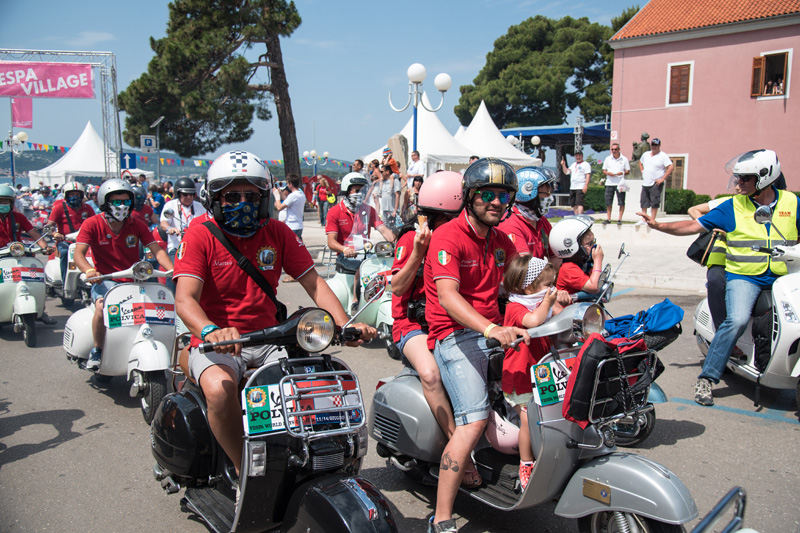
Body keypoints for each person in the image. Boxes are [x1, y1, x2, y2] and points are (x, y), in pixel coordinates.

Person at [174, 150, 375, 478]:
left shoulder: (278, 233)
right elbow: (185, 299)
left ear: (265, 198)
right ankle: (243, 471)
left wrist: (345, 325)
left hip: (270, 337)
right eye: (232, 195)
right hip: (217, 342)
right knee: (219, 389)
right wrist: (212, 331)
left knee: (311, 387)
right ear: (214, 199)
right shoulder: (199, 232)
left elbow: (315, 284)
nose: (242, 202)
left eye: (251, 195)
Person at [637, 149, 800, 406]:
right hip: (745, 277)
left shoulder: (791, 202)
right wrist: (659, 226)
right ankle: (707, 378)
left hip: (783, 275)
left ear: (765, 178)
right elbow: (691, 226)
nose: (738, 184)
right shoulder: (732, 206)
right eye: (737, 178)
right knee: (736, 320)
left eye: (744, 178)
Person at [425, 158, 530, 533]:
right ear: (469, 197)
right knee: (472, 422)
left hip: (492, 330)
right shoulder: (447, 236)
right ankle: (441, 518)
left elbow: (524, 279)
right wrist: (490, 327)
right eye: (487, 194)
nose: (496, 202)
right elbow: (449, 298)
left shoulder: (502, 239)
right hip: (455, 335)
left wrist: (559, 293)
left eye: (504, 196)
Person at [391, 171, 484, 487]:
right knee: (430, 373)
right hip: (412, 325)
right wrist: (419, 251)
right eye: (452, 217)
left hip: (446, 323)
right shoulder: (410, 239)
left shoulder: (465, 238)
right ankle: (459, 445)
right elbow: (396, 287)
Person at [73, 179, 173, 371]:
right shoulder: (91, 224)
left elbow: (157, 250)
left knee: (160, 307)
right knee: (102, 307)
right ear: (104, 202)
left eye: (126, 202)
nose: (121, 206)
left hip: (135, 280)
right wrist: (89, 270)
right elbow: (79, 253)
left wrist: (172, 270)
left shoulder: (138, 225)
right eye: (116, 202)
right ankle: (97, 350)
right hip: (105, 280)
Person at [501, 255, 558, 490]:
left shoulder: (539, 303)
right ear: (528, 286)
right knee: (528, 418)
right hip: (520, 375)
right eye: (548, 285)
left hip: (542, 371)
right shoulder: (516, 307)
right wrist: (547, 303)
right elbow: (533, 321)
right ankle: (526, 463)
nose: (552, 290)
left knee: (550, 413)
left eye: (553, 284)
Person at [325, 173, 396, 312]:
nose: (360, 194)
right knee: (362, 268)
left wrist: (397, 242)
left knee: (386, 265)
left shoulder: (368, 210)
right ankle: (356, 302)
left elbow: (383, 229)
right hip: (345, 256)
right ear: (347, 190)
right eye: (356, 190)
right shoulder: (334, 212)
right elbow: (331, 242)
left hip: (366, 254)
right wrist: (344, 249)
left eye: (362, 191)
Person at [688, 193, 735, 330]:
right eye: (738, 180)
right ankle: (721, 333)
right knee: (715, 283)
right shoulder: (728, 202)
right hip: (720, 257)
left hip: (749, 262)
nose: (739, 185)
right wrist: (709, 226)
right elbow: (693, 210)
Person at [45, 182, 95, 283]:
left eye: (77, 194)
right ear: (66, 195)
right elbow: (48, 227)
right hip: (66, 241)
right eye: (72, 194)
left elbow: (95, 223)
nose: (75, 197)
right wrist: (55, 234)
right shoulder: (59, 208)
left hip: (84, 241)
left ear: (81, 195)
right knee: (64, 253)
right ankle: (65, 282)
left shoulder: (87, 208)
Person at [550, 216, 605, 296]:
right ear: (571, 247)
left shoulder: (583, 264)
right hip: (569, 308)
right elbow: (594, 287)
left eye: (593, 242)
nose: (594, 246)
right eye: (589, 244)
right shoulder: (568, 268)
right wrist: (598, 260)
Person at [0, 185, 51, 251]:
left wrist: (45, 247)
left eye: (6, 202)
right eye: (0, 202)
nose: (3, 204)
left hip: (16, 252)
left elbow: (34, 234)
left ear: (11, 203)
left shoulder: (19, 217)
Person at [637, 138, 673, 223]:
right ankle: (644, 219)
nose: (654, 147)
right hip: (645, 182)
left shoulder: (663, 155)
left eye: (656, 145)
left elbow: (671, 167)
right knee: (644, 201)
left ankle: (652, 219)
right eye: (653, 145)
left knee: (654, 201)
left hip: (655, 183)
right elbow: (640, 162)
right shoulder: (646, 154)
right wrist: (642, 171)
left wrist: (663, 179)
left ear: (659, 146)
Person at [602, 143, 631, 225]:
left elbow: (628, 171)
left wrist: (621, 173)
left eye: (615, 149)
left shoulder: (624, 159)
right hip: (609, 183)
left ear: (619, 150)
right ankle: (608, 218)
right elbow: (604, 170)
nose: (614, 151)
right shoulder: (608, 159)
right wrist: (608, 173)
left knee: (621, 201)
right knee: (608, 201)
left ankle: (620, 219)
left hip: (620, 183)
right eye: (612, 149)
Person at [272, 174, 305, 239]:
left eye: (287, 183)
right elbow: (288, 201)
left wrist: (277, 196)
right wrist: (281, 194)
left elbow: (279, 207)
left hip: (292, 226)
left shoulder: (293, 195)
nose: (287, 185)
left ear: (291, 183)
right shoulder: (301, 194)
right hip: (299, 225)